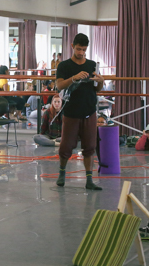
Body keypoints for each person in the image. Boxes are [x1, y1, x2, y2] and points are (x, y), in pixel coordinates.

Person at [55, 33, 104, 190]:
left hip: (89, 111)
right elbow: (59, 86)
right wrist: (74, 78)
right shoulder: (64, 66)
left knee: (90, 146)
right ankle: (62, 173)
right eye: (78, 49)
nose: (81, 52)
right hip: (71, 112)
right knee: (66, 146)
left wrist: (101, 82)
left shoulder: (91, 65)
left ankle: (89, 180)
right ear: (72, 46)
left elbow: (97, 89)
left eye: (84, 49)